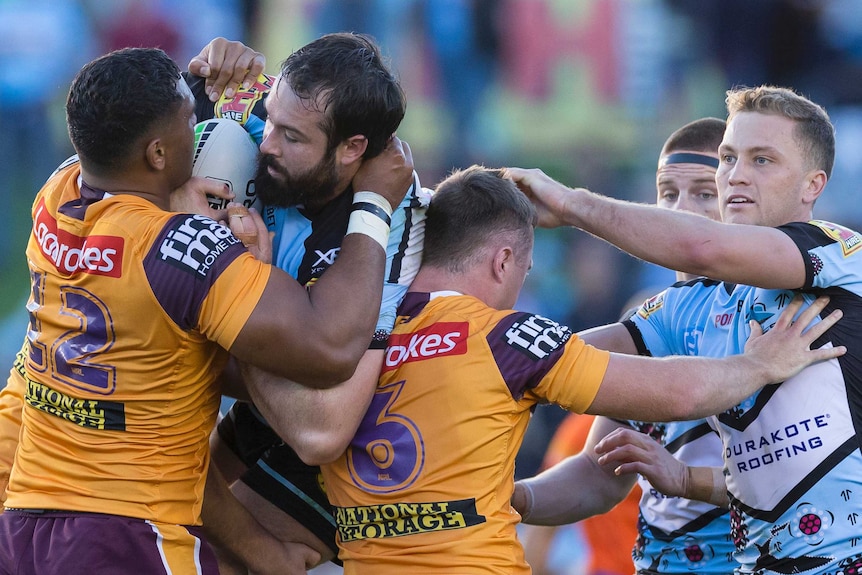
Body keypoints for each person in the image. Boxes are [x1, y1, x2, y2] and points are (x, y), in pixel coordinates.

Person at [0, 46, 414, 575]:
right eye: (192, 121)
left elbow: (127, 162)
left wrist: (188, 86)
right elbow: (329, 350)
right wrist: (372, 208)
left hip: (26, 521)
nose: (205, 127)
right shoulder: (184, 253)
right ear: (156, 154)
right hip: (128, 537)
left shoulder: (56, 194)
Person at [317, 164, 843, 574]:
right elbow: (676, 394)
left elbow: (597, 475)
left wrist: (508, 495)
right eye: (524, 271)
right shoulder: (508, 340)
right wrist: (759, 363)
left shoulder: (353, 335)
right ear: (504, 261)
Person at [508, 85, 862, 574]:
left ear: (812, 186)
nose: (736, 176)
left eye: (762, 161)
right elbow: (561, 366)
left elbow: (702, 247)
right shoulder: (681, 309)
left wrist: (571, 205)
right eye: (729, 159)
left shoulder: (841, 254)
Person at [182, 35, 429, 571]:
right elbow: (116, 162)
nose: (266, 142)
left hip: (359, 427)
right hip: (273, 385)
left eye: (291, 137)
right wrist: (188, 82)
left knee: (211, 555)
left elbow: (321, 430)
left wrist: (246, 292)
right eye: (270, 118)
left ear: (352, 150)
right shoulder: (248, 107)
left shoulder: (387, 218)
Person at [517, 117, 740, 575]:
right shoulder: (652, 322)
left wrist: (683, 480)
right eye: (667, 194)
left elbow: (796, 480)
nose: (681, 210)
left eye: (704, 193)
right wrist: (502, 497)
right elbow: (600, 475)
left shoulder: (783, 313)